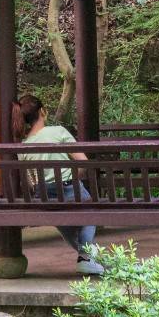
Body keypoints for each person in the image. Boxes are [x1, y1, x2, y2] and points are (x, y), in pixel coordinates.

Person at [10, 94, 105, 276]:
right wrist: (75, 180)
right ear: (42, 112)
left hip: (43, 196)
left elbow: (30, 182)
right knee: (92, 210)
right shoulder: (58, 132)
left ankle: (87, 257)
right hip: (69, 188)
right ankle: (85, 258)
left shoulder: (24, 146)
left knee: (64, 223)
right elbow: (83, 162)